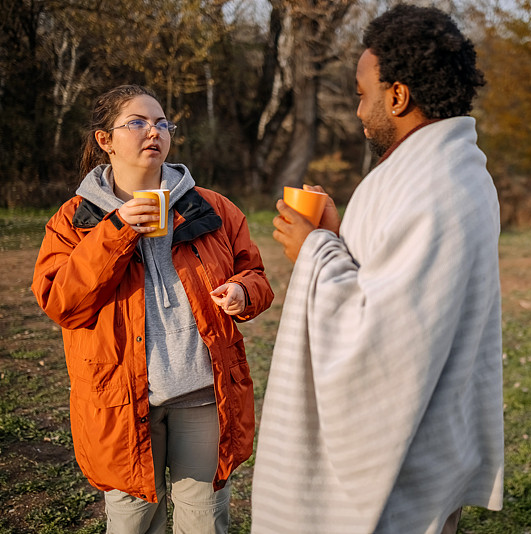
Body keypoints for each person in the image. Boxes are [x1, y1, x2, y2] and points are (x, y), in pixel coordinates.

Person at [251, 5, 504, 533]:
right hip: (426, 438)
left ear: (398, 95)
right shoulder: (438, 169)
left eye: (365, 93)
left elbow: (385, 335)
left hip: (404, 467)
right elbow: (395, 280)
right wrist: (339, 234)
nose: (361, 110)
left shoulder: (437, 188)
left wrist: (315, 249)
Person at [31, 84, 274, 534]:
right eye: (138, 123)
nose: (154, 132)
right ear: (105, 140)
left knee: (205, 522)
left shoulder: (212, 207)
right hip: (119, 404)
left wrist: (243, 291)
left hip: (202, 395)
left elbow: (256, 274)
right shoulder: (75, 219)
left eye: (162, 123)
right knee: (133, 523)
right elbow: (61, 302)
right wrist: (117, 232)